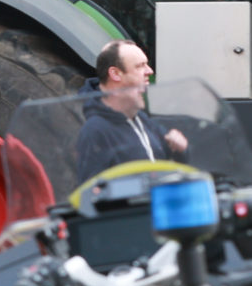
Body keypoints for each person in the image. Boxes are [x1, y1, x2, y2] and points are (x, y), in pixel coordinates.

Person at [75, 39, 187, 183]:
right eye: (140, 66)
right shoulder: (95, 130)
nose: (150, 71)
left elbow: (173, 165)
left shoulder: (141, 119)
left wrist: (180, 150)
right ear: (115, 73)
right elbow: (93, 194)